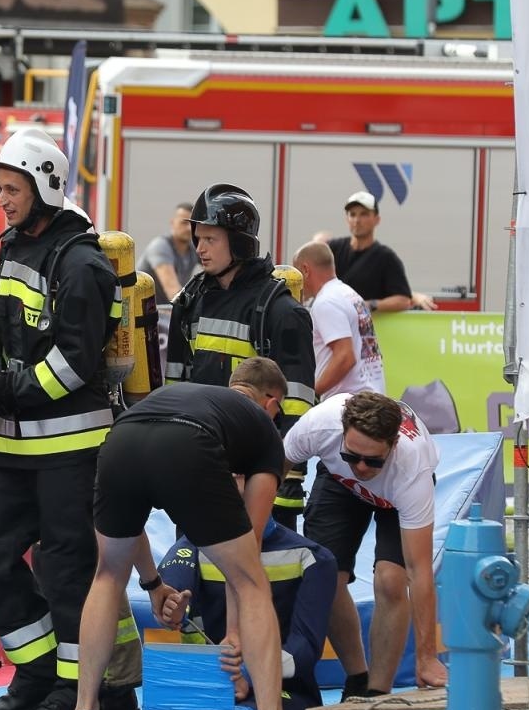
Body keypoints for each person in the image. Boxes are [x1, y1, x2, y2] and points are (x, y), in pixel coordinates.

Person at [0, 129, 118, 710]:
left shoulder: (83, 263)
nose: (4, 202)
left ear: (46, 188)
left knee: (66, 572)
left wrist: (0, 391)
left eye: (13, 190)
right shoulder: (13, 247)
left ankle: (72, 694)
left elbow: (73, 364)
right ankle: (37, 672)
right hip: (12, 447)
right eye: (0, 190)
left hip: (70, 448)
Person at [67, 358, 319, 710]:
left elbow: (131, 532)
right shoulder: (267, 437)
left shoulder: (200, 397)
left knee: (107, 576)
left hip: (122, 440)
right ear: (273, 404)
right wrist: (234, 636)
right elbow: (248, 557)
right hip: (186, 443)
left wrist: (152, 584)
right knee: (253, 582)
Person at [282, 390, 448, 710]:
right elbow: (269, 478)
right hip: (337, 487)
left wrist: (427, 657)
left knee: (390, 580)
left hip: (395, 498)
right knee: (323, 576)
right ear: (341, 434)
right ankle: (357, 681)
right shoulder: (317, 426)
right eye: (352, 455)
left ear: (392, 446)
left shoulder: (411, 465)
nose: (360, 467)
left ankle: (378, 696)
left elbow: (419, 573)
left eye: (372, 461)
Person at [166, 183, 318, 528]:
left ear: (239, 242)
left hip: (260, 479)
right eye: (198, 238)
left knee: (264, 577)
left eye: (211, 239)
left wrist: (280, 479)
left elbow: (296, 406)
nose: (200, 249)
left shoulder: (280, 312)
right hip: (202, 469)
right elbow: (177, 387)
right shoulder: (190, 303)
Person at [153, 503, 337, 710]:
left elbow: (305, 649)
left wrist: (247, 674)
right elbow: (172, 590)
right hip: (211, 684)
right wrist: (171, 611)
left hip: (284, 690)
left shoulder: (312, 557)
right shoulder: (193, 547)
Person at [293, 241, 385, 399]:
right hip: (370, 400)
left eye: (297, 274)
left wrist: (311, 394)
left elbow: (345, 358)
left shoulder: (326, 302)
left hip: (348, 405)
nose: (296, 283)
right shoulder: (349, 294)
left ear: (306, 270)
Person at [327, 191, 437, 313]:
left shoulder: (386, 257)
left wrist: (367, 305)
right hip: (330, 325)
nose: (357, 220)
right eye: (352, 214)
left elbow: (402, 299)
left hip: (366, 329)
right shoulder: (331, 249)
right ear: (346, 219)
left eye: (364, 214)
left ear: (377, 219)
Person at [137, 201, 198, 306]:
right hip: (144, 312)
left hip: (167, 310)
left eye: (192, 224)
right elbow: (172, 290)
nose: (189, 228)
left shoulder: (194, 248)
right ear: (172, 222)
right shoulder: (160, 246)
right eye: (184, 223)